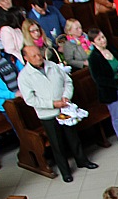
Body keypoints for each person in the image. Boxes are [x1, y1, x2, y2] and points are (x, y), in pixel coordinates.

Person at [17, 45, 97, 182]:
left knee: (73, 137)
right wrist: (52, 104)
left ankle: (82, 160)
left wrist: (66, 96)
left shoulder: (52, 65)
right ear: (26, 58)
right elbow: (30, 100)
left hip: (65, 108)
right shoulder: (24, 76)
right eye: (34, 56)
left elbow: (67, 81)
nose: (39, 57)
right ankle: (65, 171)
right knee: (57, 143)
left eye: (39, 53)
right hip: (48, 114)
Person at [87, 28, 118, 149]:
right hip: (111, 91)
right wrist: (117, 81)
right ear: (93, 43)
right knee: (117, 116)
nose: (103, 40)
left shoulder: (113, 49)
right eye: (99, 39)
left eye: (103, 37)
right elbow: (99, 79)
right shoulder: (94, 58)